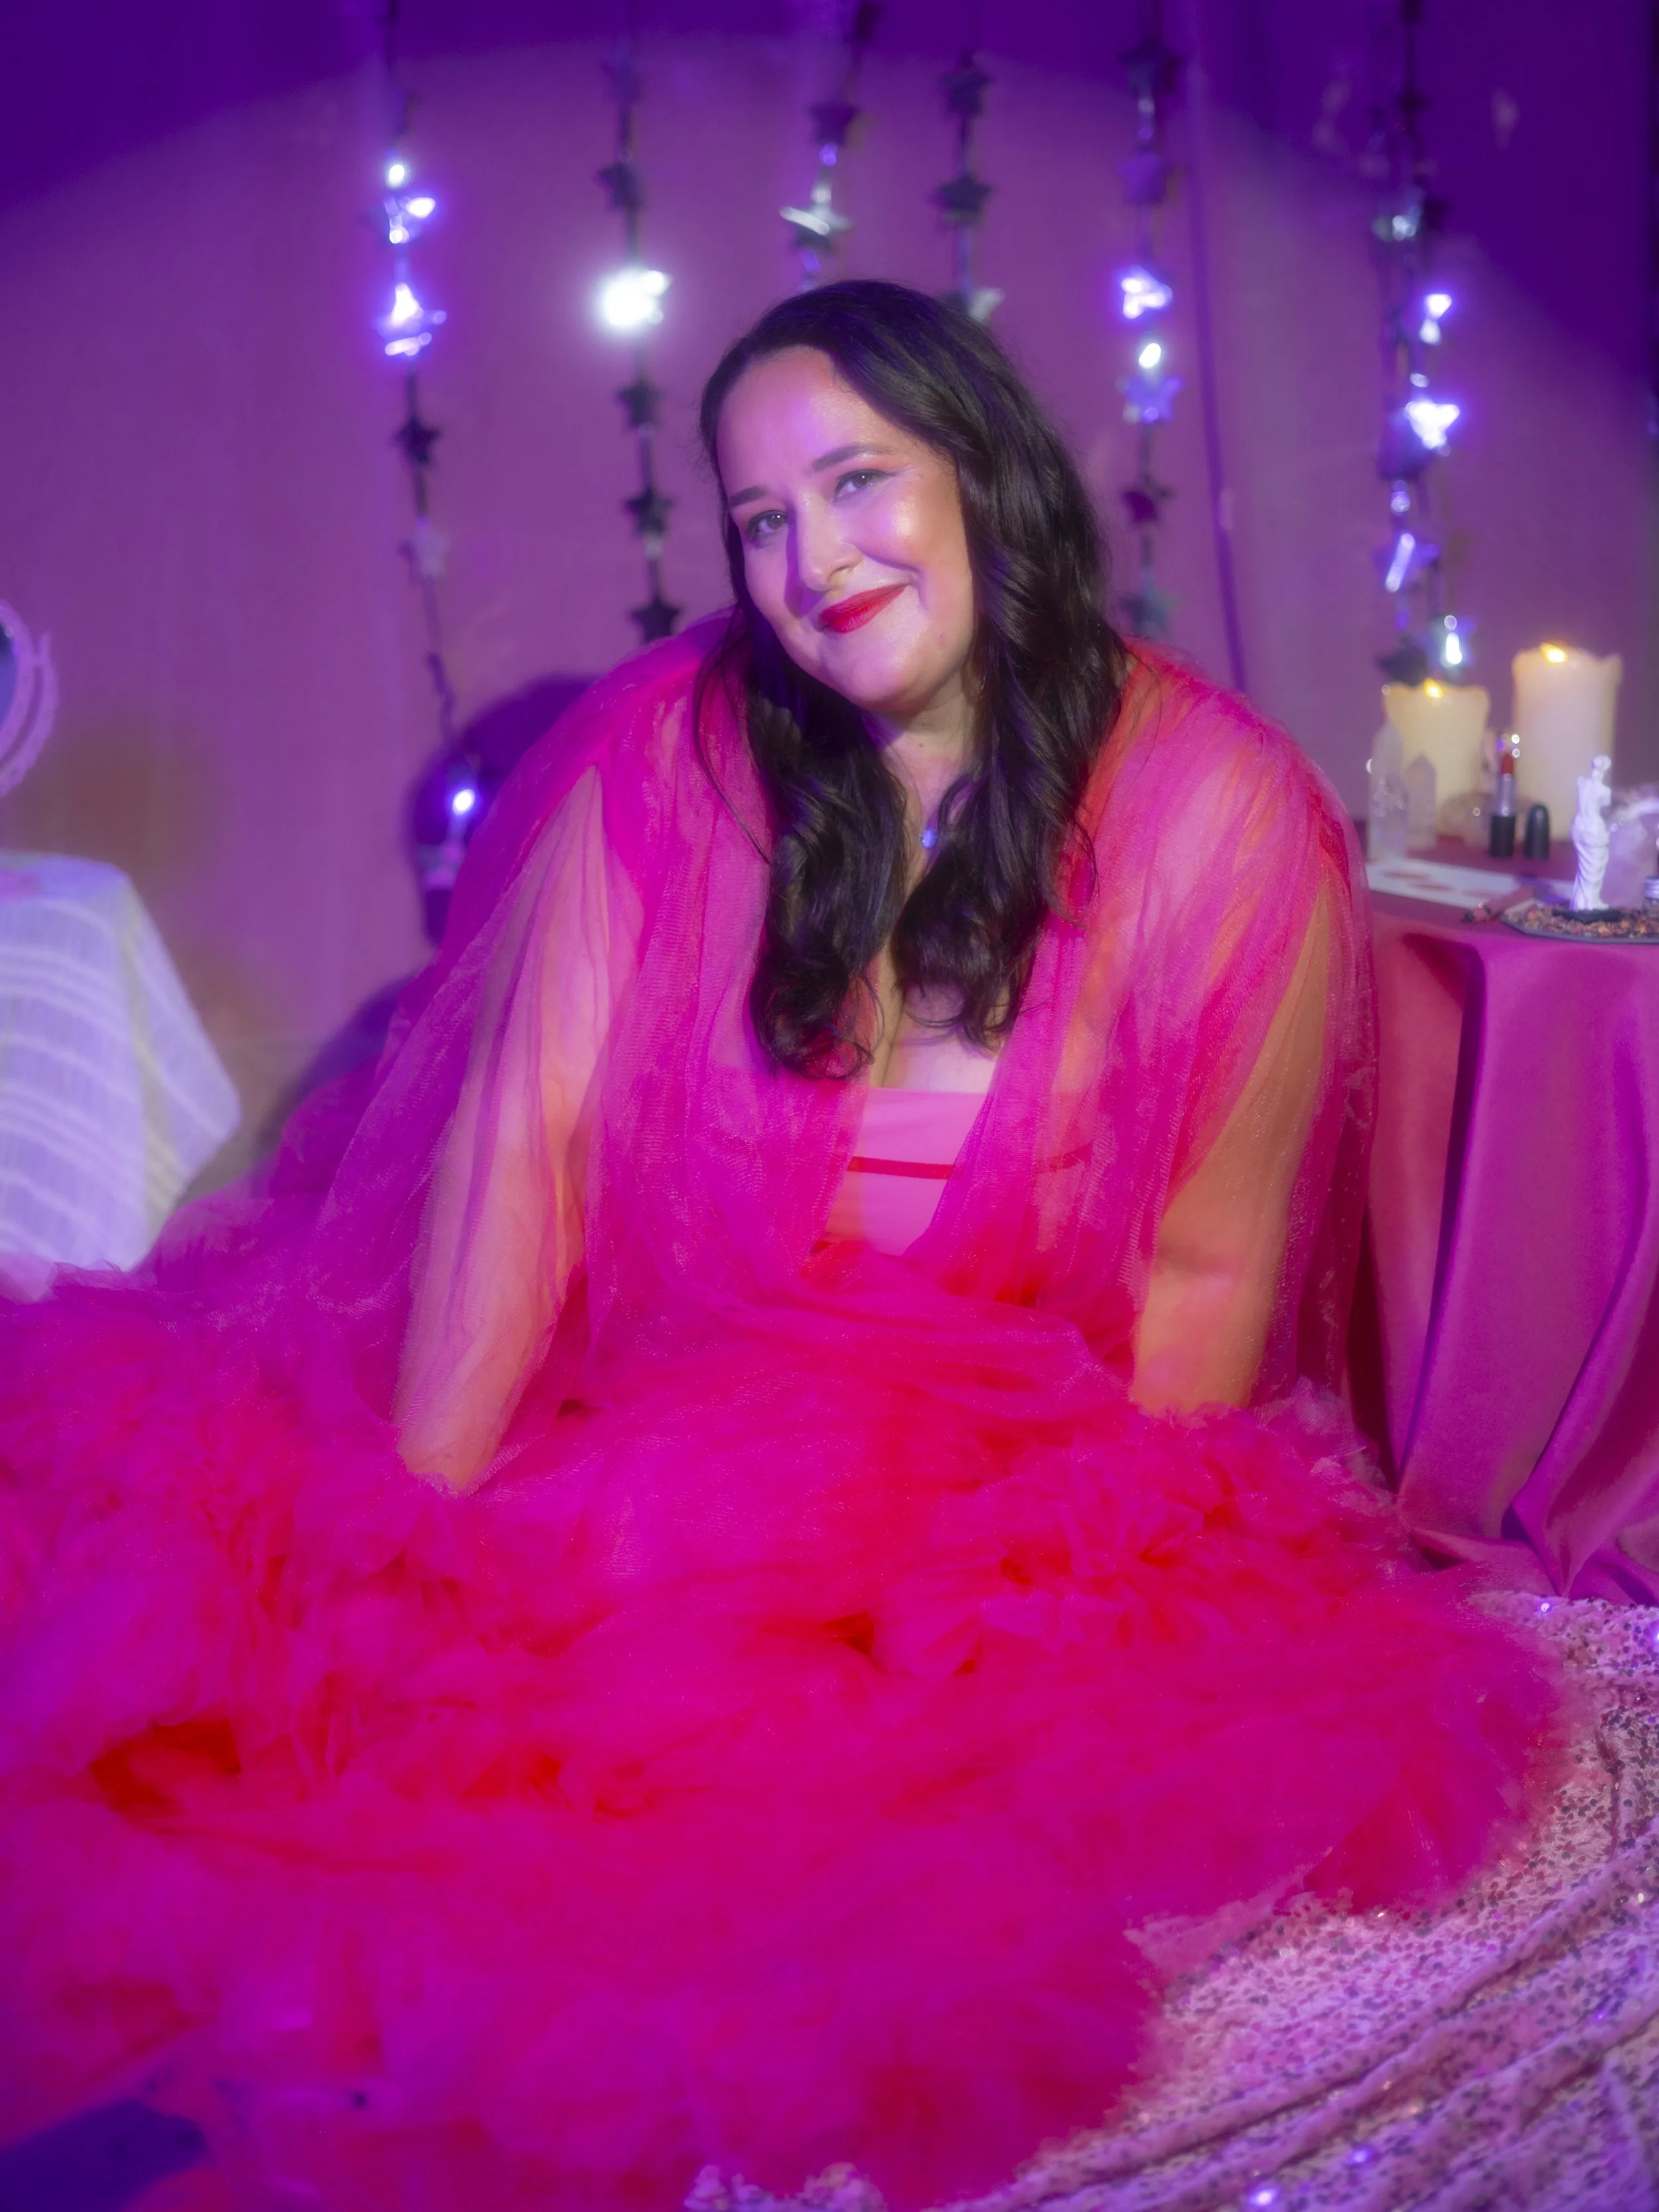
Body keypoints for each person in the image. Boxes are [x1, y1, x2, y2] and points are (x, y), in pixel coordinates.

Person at [0, 283, 1557, 2212]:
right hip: (660, 1428)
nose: (814, 560)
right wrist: (413, 1534)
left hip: (1011, 1484)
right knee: (302, 1762)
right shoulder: (678, 752)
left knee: (820, 1885)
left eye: (855, 482)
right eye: (760, 518)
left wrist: (1108, 1622)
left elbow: (1207, 1273)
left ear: (981, 470)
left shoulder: (1214, 809)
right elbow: (524, 1149)